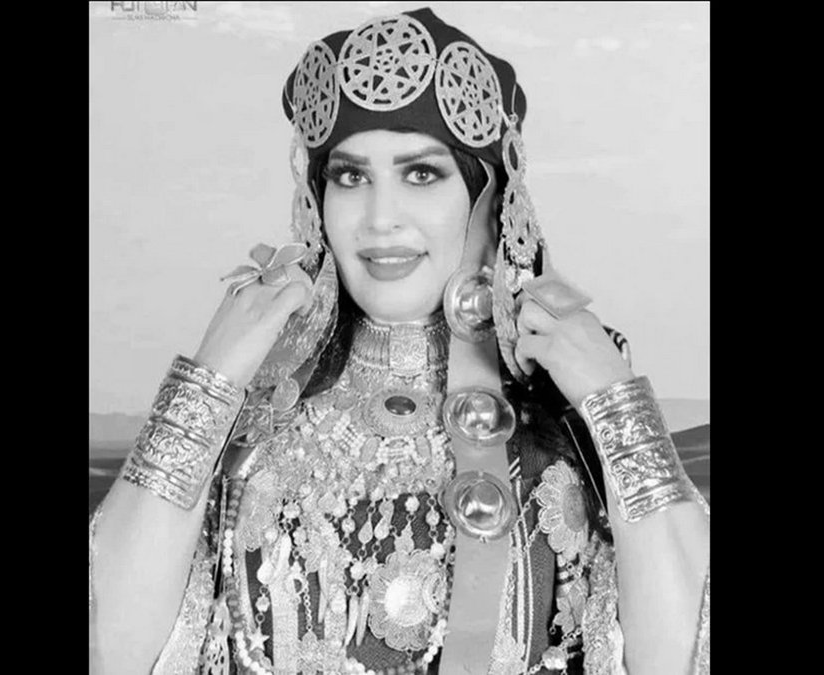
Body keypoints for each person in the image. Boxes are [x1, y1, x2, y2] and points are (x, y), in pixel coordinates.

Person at [89, 7, 709, 675]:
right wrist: (210, 380)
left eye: (420, 174)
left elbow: (680, 656)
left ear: (487, 194)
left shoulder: (563, 425)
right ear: (317, 198)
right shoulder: (250, 419)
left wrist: (617, 403)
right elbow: (112, 648)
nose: (380, 219)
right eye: (351, 177)